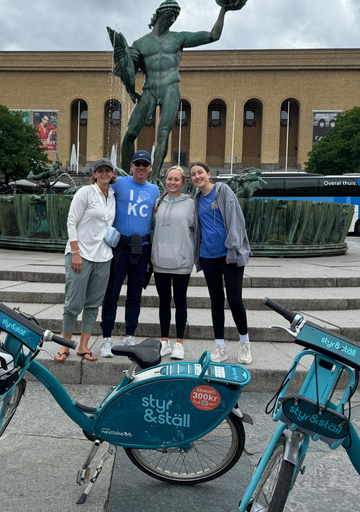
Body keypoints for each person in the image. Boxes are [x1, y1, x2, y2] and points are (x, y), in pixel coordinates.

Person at [108, 0, 244, 178]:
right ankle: (124, 177)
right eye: (169, 16)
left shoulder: (178, 38)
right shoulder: (140, 43)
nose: (172, 20)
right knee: (130, 134)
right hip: (150, 88)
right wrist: (125, 58)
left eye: (175, 18)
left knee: (163, 133)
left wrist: (223, 11)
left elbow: (213, 35)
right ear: (159, 14)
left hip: (171, 86)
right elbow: (129, 72)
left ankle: (155, 179)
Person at [54, 158, 117, 363]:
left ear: (112, 173)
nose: (105, 173)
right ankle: (65, 346)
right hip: (81, 255)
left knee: (92, 304)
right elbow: (71, 221)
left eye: (108, 170)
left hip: (104, 256)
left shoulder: (113, 195)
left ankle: (83, 346)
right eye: (101, 170)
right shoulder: (85, 192)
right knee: (73, 302)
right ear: (95, 173)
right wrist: (75, 252)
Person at [99, 150, 161, 357]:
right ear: (132, 165)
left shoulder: (154, 190)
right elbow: (100, 195)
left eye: (145, 164)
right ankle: (106, 337)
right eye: (138, 164)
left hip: (141, 247)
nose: (141, 167)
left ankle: (130, 334)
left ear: (150, 168)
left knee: (135, 294)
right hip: (119, 246)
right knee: (111, 293)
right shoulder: (120, 184)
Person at [190, 161, 252, 364]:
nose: (197, 176)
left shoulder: (223, 190)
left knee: (235, 300)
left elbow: (236, 221)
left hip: (229, 256)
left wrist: (233, 251)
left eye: (200, 172)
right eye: (193, 174)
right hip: (208, 256)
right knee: (216, 301)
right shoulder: (197, 198)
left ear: (208, 174)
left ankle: (244, 344)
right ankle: (220, 347)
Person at [151, 166, 194, 360]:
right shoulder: (157, 203)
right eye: (169, 179)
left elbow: (197, 231)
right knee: (163, 302)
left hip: (181, 261)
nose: (172, 182)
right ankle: (164, 341)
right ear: (165, 180)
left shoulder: (191, 204)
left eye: (177, 179)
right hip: (160, 261)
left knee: (180, 301)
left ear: (183, 183)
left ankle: (179, 343)